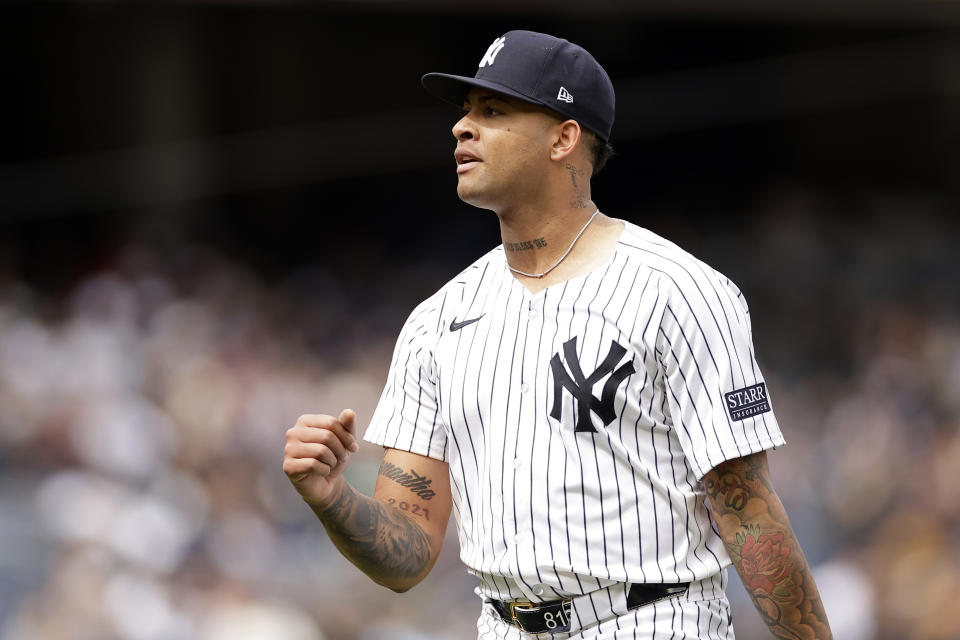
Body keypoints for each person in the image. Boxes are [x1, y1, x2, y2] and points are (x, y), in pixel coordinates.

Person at [283, 30, 833, 639]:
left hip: (651, 619)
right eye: (464, 113)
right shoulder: (436, 322)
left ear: (564, 137)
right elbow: (407, 554)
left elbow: (748, 516)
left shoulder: (678, 291)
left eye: (492, 111)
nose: (462, 128)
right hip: (504, 625)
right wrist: (330, 498)